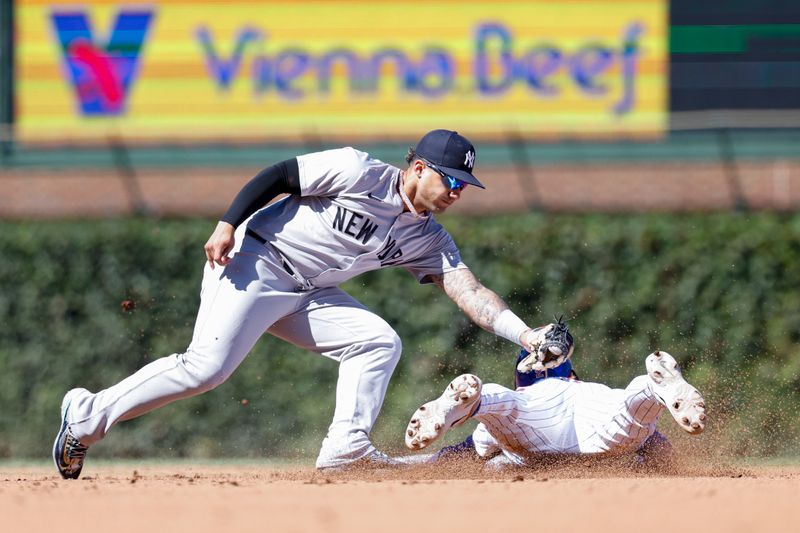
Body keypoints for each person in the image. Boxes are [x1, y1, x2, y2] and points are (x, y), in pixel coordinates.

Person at [53, 129, 567, 479]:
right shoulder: (356, 171)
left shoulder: (430, 239)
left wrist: (527, 336)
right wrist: (228, 221)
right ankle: (86, 416)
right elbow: (279, 175)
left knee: (377, 342)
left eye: (464, 184)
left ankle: (345, 450)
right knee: (205, 369)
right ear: (416, 167)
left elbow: (470, 291)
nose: (457, 191)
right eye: (450, 179)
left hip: (308, 292)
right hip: (256, 262)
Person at [404, 347, 706, 467]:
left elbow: (459, 456)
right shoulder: (588, 389)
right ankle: (653, 388)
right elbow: (658, 448)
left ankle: (474, 403)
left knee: (504, 407)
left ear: (521, 378)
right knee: (631, 412)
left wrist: (392, 464)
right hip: (600, 430)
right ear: (571, 374)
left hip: (538, 421)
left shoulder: (529, 392)